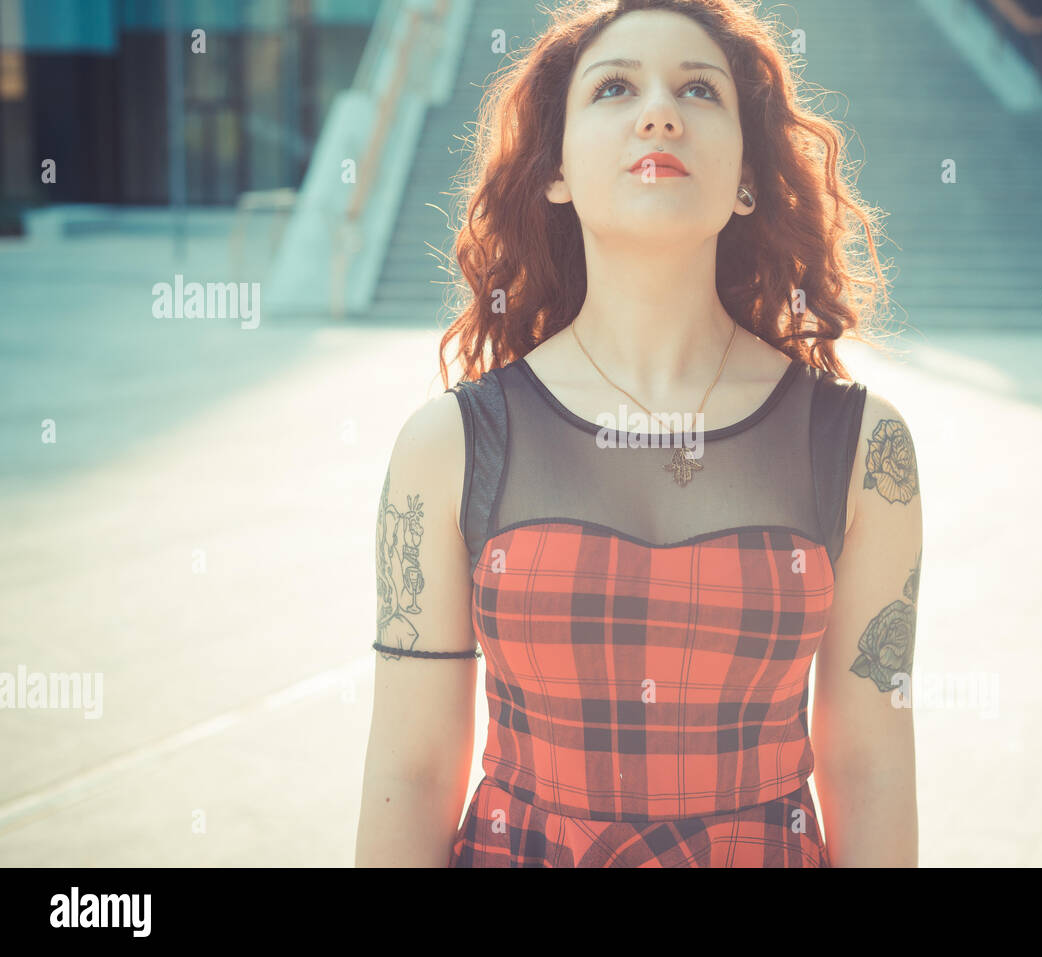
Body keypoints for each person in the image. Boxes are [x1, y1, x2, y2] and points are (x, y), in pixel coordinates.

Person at [356, 0, 922, 867]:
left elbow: (869, 765)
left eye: (699, 90)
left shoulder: (861, 448)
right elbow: (414, 768)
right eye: (615, 87)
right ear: (554, 170)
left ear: (745, 180)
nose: (659, 112)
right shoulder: (451, 444)